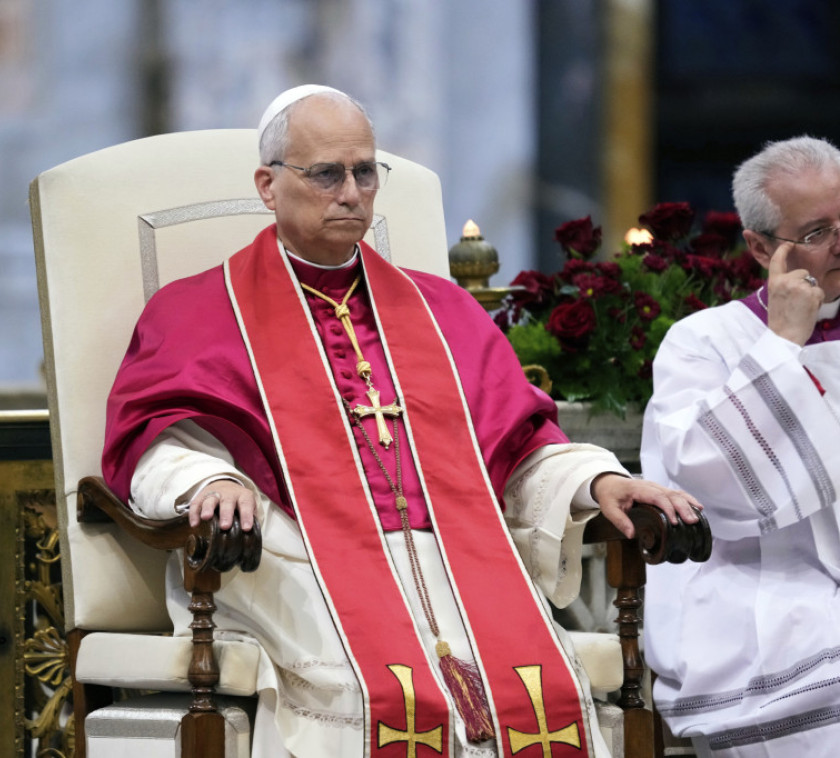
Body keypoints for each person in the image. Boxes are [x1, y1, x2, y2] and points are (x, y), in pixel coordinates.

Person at [103, 84, 701, 758]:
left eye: (365, 171)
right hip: (299, 558)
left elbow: (521, 443)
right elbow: (163, 433)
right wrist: (208, 483)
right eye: (327, 173)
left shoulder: (442, 311)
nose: (352, 192)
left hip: (458, 559)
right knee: (389, 695)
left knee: (530, 695)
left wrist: (599, 482)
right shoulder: (200, 311)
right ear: (268, 185)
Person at [641, 135, 840, 757]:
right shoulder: (703, 341)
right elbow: (708, 481)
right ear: (759, 248)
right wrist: (782, 342)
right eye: (817, 231)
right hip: (760, 586)